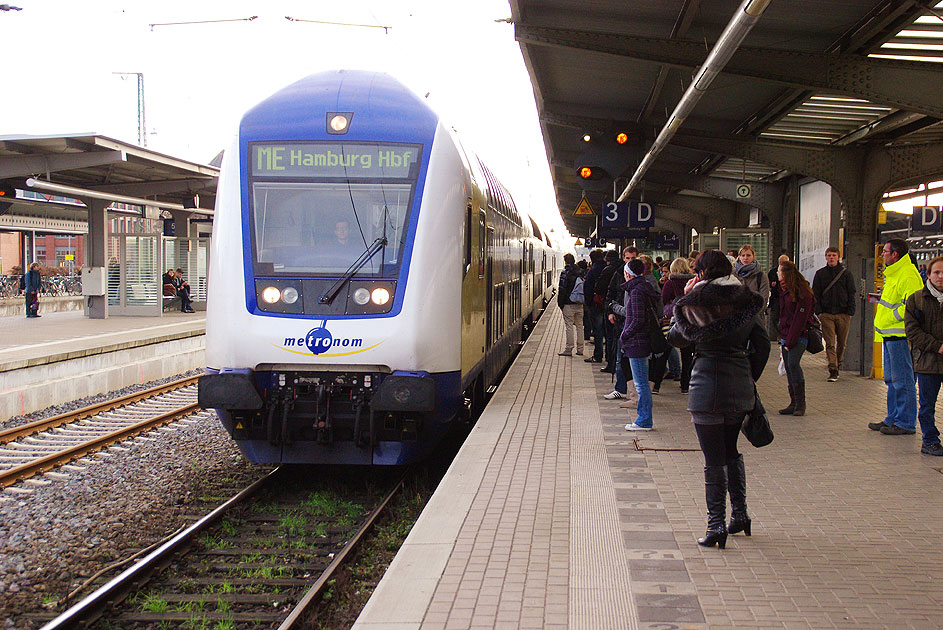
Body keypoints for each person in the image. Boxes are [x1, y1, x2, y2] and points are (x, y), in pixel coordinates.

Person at [668, 251, 767, 549]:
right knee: (731, 450)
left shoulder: (694, 303)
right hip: (739, 386)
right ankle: (740, 515)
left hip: (706, 386)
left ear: (701, 273)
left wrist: (683, 301)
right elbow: (762, 344)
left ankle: (716, 526)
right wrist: (748, 376)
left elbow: (677, 338)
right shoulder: (747, 302)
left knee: (713, 459)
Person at [869, 239, 923, 435]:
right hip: (889, 334)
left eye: (885, 252)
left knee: (903, 380)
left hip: (900, 334)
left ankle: (905, 422)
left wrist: (890, 318)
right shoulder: (893, 273)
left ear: (895, 254)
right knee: (892, 380)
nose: (881, 255)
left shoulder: (908, 275)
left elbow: (912, 306)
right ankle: (893, 418)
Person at [904, 255, 943, 456]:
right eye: (936, 272)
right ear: (928, 274)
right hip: (927, 362)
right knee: (927, 405)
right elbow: (912, 331)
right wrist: (938, 347)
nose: (941, 276)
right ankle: (930, 441)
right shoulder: (916, 299)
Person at [620, 258, 659, 430]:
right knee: (642, 382)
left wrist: (625, 335)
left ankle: (644, 420)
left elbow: (636, 320)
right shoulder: (644, 287)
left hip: (637, 342)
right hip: (643, 340)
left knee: (641, 383)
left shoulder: (636, 292)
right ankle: (644, 418)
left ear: (628, 274)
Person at [812, 246, 857, 382]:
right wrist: (819, 312)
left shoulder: (846, 274)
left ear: (838, 257)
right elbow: (816, 294)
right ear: (825, 257)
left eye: (833, 255)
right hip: (826, 314)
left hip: (843, 313)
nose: (831, 258)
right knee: (830, 343)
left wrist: (850, 311)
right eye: (829, 255)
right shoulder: (820, 274)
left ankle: (838, 361)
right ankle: (833, 368)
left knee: (842, 343)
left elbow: (851, 293)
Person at [777, 261, 815, 416]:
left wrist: (790, 341)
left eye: (779, 271)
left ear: (785, 273)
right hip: (786, 335)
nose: (777, 273)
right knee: (788, 367)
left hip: (799, 336)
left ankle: (800, 403)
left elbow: (800, 319)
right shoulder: (784, 290)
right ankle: (793, 402)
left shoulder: (803, 292)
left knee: (793, 364)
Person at [603, 247, 639, 400]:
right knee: (620, 358)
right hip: (620, 323)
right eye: (627, 258)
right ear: (623, 258)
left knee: (635, 361)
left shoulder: (643, 278)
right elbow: (610, 294)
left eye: (632, 258)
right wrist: (610, 312)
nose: (629, 261)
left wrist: (614, 308)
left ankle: (635, 393)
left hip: (635, 327)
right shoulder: (618, 274)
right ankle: (621, 389)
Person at [662, 257, 696, 393]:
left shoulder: (671, 283)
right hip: (692, 319)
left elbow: (663, 299)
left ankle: (656, 384)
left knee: (667, 349)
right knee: (688, 354)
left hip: (674, 319)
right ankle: (685, 384)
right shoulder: (694, 280)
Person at [595, 250, 622, 372]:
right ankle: (618, 364)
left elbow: (600, 288)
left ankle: (611, 364)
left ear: (608, 259)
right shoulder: (622, 270)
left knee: (610, 338)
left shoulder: (609, 270)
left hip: (611, 308)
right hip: (620, 308)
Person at [557, 253, 585, 356]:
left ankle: (569, 349)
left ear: (566, 261)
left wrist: (561, 304)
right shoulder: (580, 272)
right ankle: (580, 350)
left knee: (569, 326)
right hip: (579, 303)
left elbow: (562, 290)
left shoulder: (565, 272)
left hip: (568, 304)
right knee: (579, 326)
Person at [583, 249, 607, 363]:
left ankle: (598, 356)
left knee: (597, 331)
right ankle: (609, 357)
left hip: (596, 304)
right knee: (608, 331)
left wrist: (588, 304)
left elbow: (587, 288)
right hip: (608, 304)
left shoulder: (593, 270)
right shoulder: (608, 269)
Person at [768, 254, 789, 338]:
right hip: (776, 298)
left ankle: (784, 334)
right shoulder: (773, 272)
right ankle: (780, 334)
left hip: (787, 298)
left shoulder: (791, 273)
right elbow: (767, 283)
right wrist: (771, 284)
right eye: (781, 262)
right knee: (774, 317)